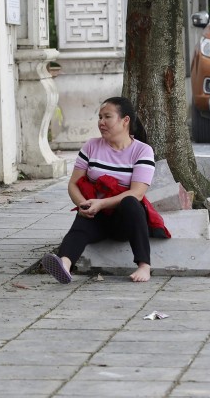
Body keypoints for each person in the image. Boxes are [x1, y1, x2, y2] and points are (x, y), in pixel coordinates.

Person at [42, 97, 166, 284]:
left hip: (124, 220)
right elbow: (73, 184)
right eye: (99, 117)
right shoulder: (91, 146)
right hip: (96, 215)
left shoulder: (142, 151)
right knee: (81, 220)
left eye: (107, 117)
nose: (101, 122)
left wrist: (101, 203)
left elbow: (138, 192)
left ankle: (144, 265)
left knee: (131, 203)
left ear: (125, 121)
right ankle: (65, 264)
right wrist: (83, 204)